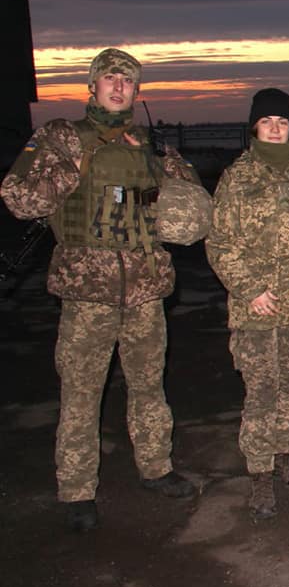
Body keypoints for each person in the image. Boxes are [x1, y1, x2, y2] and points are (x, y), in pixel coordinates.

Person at [1, 48, 207, 531]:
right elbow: (18, 198)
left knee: (149, 386)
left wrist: (163, 192)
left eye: (127, 81)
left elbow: (190, 205)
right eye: (110, 78)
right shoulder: (61, 136)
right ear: (92, 86)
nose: (118, 87)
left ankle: (156, 468)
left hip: (145, 288)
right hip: (86, 291)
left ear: (137, 90)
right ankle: (77, 490)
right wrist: (72, 169)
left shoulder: (151, 144)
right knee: (81, 392)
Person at [206, 88, 289, 519]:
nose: (275, 129)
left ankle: (283, 454)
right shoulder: (236, 179)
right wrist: (249, 289)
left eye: (282, 122)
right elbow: (219, 243)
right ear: (254, 128)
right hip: (255, 309)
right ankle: (260, 473)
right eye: (267, 122)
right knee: (261, 392)